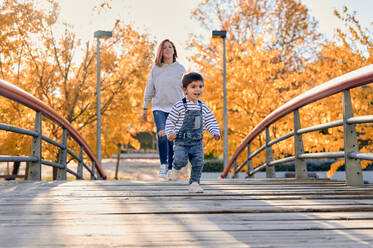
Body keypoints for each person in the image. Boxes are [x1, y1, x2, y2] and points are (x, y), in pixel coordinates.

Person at [165, 72, 220, 193]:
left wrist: (215, 132)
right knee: (180, 159)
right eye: (193, 87)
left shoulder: (203, 107)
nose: (198, 90)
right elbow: (170, 121)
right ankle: (175, 168)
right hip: (181, 141)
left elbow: (211, 120)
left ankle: (194, 183)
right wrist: (170, 133)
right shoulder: (179, 106)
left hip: (197, 142)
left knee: (198, 162)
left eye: (200, 86)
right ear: (185, 89)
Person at [142, 39, 186, 179]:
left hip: (176, 109)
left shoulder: (180, 69)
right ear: (161, 51)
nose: (168, 49)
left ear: (174, 50)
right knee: (162, 134)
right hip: (159, 107)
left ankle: (172, 170)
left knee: (171, 138)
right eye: (165, 47)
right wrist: (145, 108)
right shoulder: (156, 69)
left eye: (170, 47)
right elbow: (150, 89)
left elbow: (186, 90)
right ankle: (163, 164)